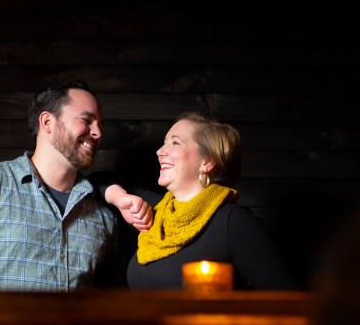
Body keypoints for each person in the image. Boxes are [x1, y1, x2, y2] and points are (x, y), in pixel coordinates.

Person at [0, 80, 152, 291]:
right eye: (87, 120)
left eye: (100, 124)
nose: (98, 132)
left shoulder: (102, 213)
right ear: (48, 122)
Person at [99, 111, 302, 290]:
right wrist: (120, 198)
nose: (160, 151)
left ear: (207, 162)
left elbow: (292, 301)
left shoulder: (233, 223)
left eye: (175, 142)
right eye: (164, 142)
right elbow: (98, 181)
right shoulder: (156, 213)